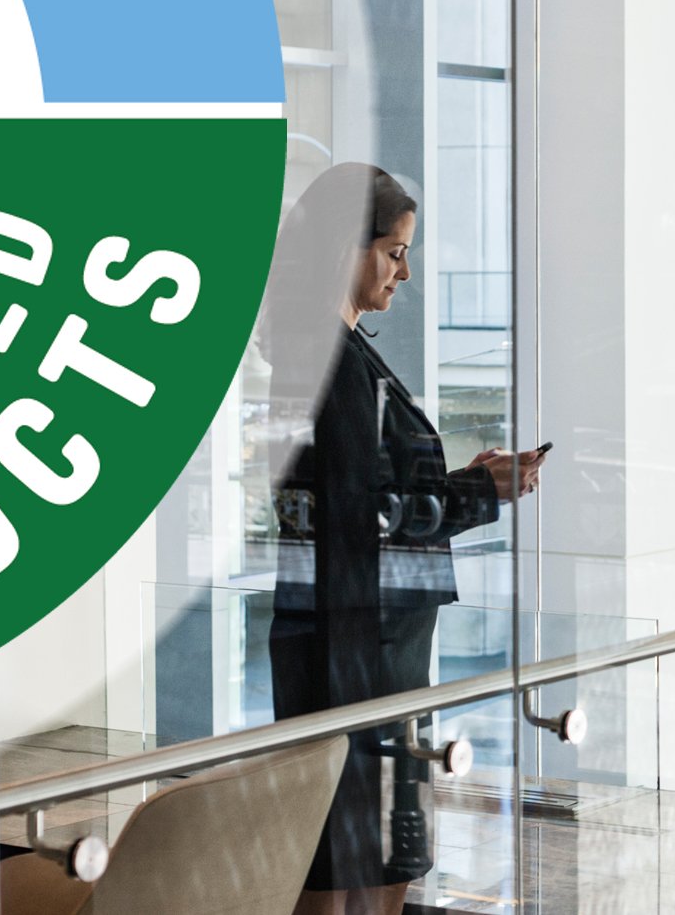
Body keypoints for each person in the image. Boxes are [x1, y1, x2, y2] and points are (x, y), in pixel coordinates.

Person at [263, 165, 543, 915]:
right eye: (394, 251)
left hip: (359, 641)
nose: (406, 271)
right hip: (363, 652)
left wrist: (463, 482)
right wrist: (483, 490)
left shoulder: (328, 354)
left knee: (357, 855)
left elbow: (362, 499)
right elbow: (367, 519)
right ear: (344, 251)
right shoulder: (334, 365)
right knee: (362, 861)